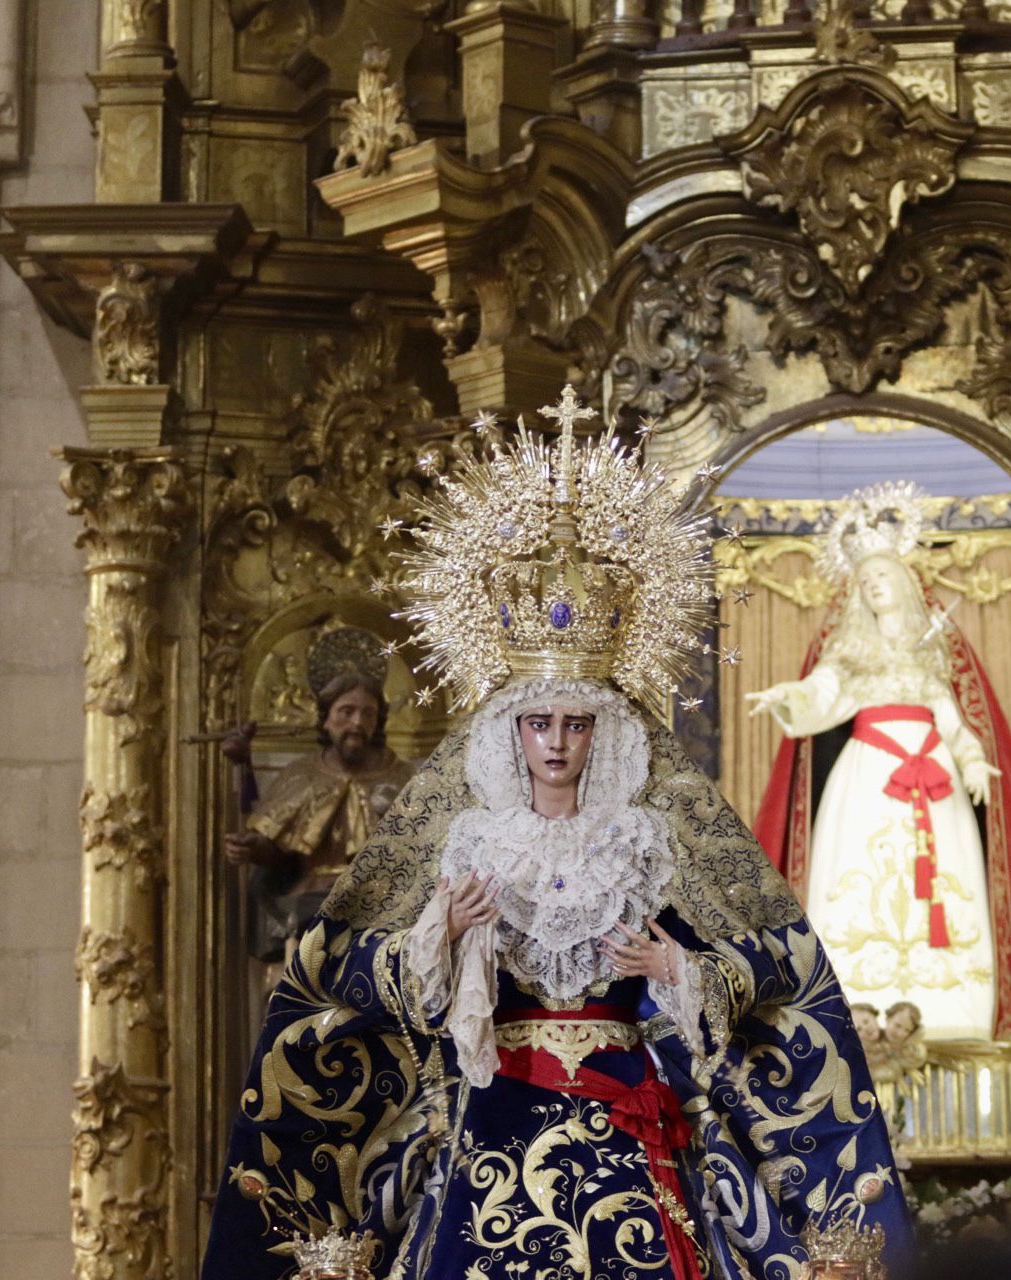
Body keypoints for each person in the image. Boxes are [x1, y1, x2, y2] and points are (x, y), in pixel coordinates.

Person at [201, 387, 909, 1280]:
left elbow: (774, 959)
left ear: (602, 732)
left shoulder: (648, 841)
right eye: (541, 725)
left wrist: (680, 972)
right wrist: (442, 938)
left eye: (578, 725)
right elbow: (348, 973)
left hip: (627, 1112)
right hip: (496, 1110)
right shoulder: (468, 842)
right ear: (513, 733)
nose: (559, 744)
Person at [750, 482, 1011, 1045]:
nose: (874, 587)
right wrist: (787, 698)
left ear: (903, 582)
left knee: (939, 891)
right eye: (865, 581)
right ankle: (854, 1016)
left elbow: (954, 718)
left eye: (883, 577)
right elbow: (823, 692)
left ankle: (948, 1015)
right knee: (863, 881)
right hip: (869, 776)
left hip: (933, 778)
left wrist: (970, 760)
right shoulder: (849, 650)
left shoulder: (933, 647)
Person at [220, 627, 416, 968]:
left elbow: (421, 851)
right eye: (346, 712)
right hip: (311, 904)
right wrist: (252, 848)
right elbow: (278, 851)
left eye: (367, 713)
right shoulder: (301, 775)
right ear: (326, 720)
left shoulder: (402, 778)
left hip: (381, 906)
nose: (357, 722)